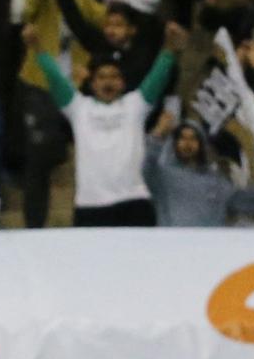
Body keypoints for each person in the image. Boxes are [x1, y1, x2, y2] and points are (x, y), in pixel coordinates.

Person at [27, 23, 183, 226]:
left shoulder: (136, 104)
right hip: (90, 205)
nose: (108, 82)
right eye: (101, 77)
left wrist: (169, 48)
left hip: (134, 202)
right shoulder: (78, 107)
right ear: (92, 84)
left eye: (114, 77)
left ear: (123, 83)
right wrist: (38, 48)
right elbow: (55, 78)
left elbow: (158, 76)